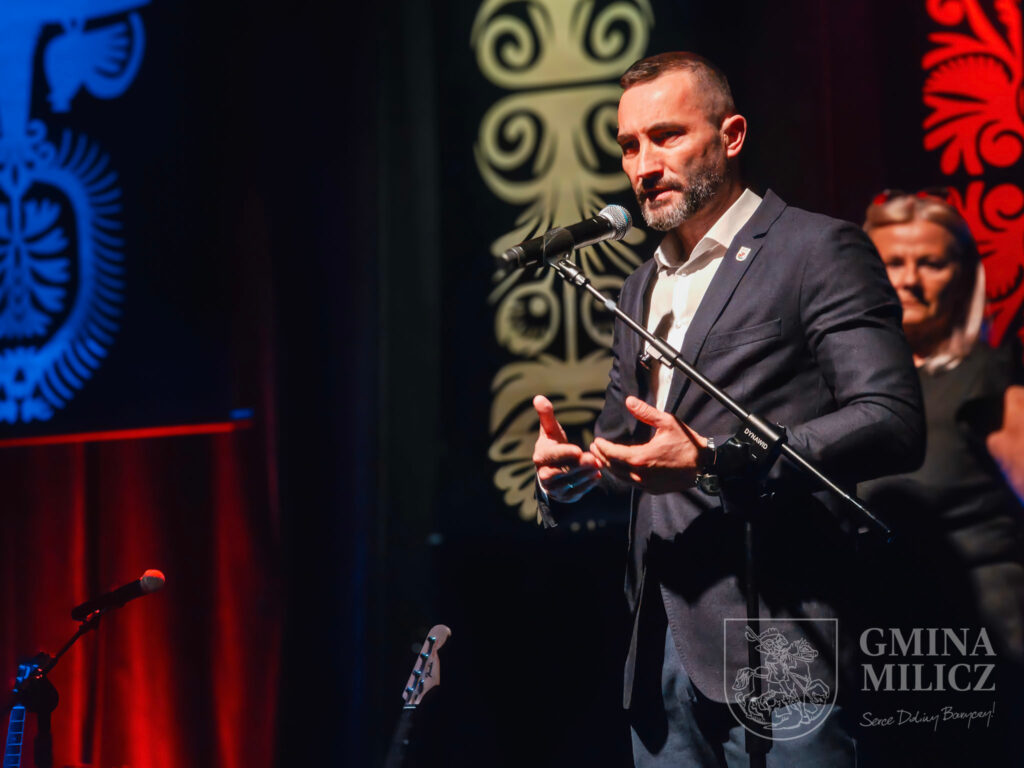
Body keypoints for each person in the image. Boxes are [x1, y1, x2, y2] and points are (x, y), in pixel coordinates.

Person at [531, 52, 924, 767]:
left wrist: (717, 458)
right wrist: (576, 473)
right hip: (663, 649)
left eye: (667, 136)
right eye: (629, 146)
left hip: (786, 632)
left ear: (731, 135)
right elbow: (632, 460)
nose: (644, 165)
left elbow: (890, 420)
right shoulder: (640, 286)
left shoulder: (816, 249)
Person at [859, 192, 1024, 765]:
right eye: (892, 262)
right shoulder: (841, 389)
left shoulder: (987, 376)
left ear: (963, 277)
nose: (910, 280)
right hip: (876, 635)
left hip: (981, 634)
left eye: (930, 263)